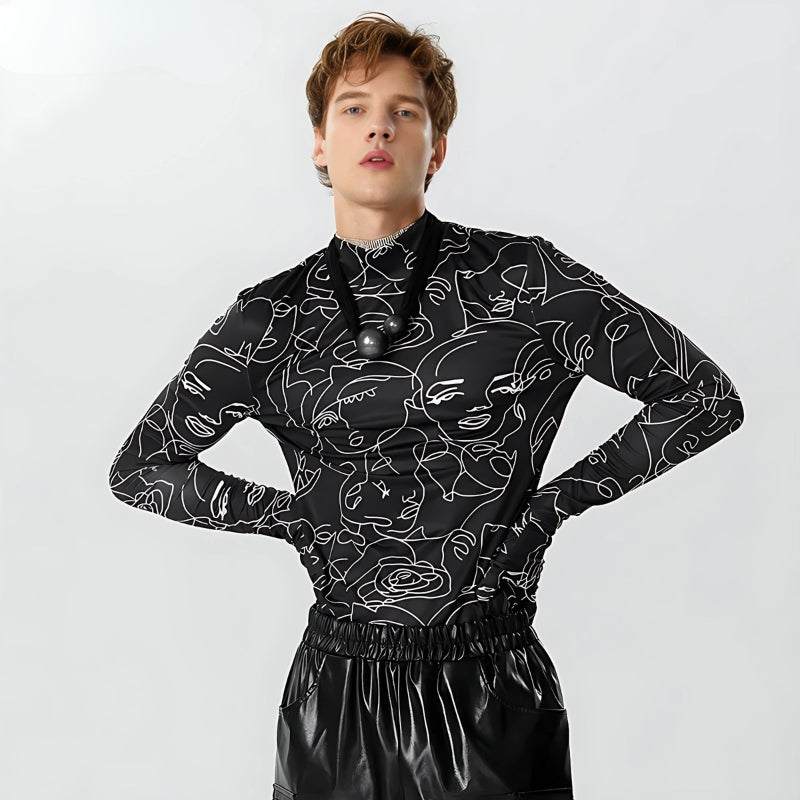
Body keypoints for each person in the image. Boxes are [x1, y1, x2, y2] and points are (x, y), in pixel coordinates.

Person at [107, 12, 745, 800]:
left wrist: (549, 510)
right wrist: (293, 519)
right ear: (320, 142)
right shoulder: (269, 319)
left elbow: (702, 397)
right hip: (337, 699)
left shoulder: (524, 281)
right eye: (355, 108)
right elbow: (141, 467)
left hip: (490, 689)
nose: (379, 127)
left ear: (435, 148)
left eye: (404, 111)